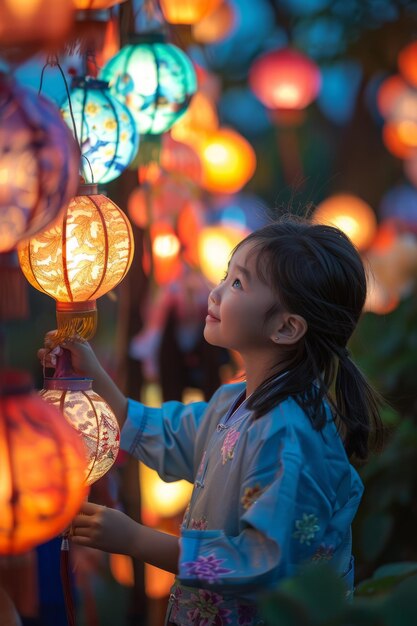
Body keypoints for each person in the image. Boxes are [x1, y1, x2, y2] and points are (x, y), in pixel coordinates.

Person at [39, 217, 383, 626]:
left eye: (238, 283)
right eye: (226, 276)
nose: (216, 292)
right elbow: (167, 434)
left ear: (286, 327)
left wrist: (136, 540)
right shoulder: (235, 400)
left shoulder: (290, 436)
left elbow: (261, 561)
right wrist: (93, 375)